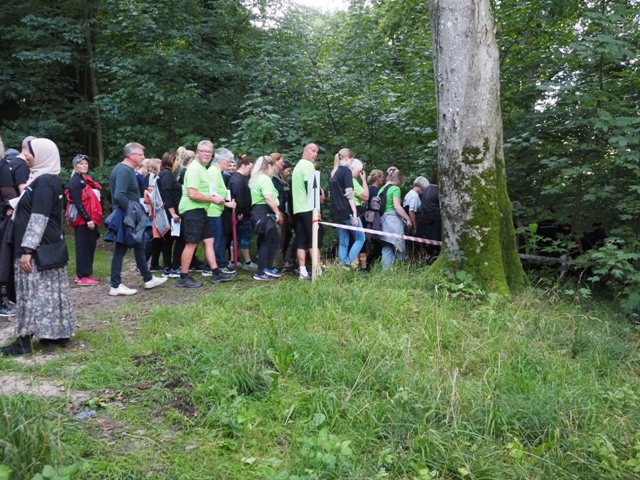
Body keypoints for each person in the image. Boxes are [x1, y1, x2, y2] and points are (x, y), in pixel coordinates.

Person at [1, 138, 74, 356]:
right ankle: (57, 335)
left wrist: (27, 251)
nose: (25, 155)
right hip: (47, 248)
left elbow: (39, 218)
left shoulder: (43, 182)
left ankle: (23, 343)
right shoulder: (45, 179)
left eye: (29, 152)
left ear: (42, 155)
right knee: (49, 293)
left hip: (36, 250)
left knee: (30, 294)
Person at [108, 142, 168, 295]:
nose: (143, 157)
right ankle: (115, 285)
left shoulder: (126, 170)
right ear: (131, 155)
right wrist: (132, 211)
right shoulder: (124, 170)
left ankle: (148, 279)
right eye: (140, 154)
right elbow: (119, 195)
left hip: (127, 214)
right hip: (125, 215)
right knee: (120, 249)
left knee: (139, 245)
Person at [177, 140, 236, 288]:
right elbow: (192, 194)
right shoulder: (194, 169)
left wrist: (219, 199)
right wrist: (213, 199)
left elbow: (208, 191)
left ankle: (216, 273)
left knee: (209, 241)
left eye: (209, 152)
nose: (207, 154)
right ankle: (183, 277)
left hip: (202, 210)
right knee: (191, 243)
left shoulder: (203, 168)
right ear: (197, 152)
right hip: (191, 209)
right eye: (203, 151)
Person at [68, 154, 103, 285]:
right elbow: (78, 203)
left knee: (89, 246)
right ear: (75, 166)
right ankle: (82, 276)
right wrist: (88, 219)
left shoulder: (83, 180)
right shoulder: (75, 181)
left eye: (86, 164)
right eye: (81, 164)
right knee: (83, 247)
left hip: (88, 219)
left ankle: (84, 274)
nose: (84, 166)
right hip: (82, 221)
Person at [249, 156, 284, 281]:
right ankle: (260, 272)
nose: (274, 169)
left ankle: (268, 267)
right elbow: (268, 197)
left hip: (259, 212)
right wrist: (277, 212)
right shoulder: (265, 179)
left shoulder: (256, 179)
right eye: (273, 166)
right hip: (264, 212)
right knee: (266, 241)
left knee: (274, 239)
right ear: (268, 166)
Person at [329, 148, 365, 268]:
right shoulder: (346, 172)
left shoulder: (332, 172)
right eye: (352, 160)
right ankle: (349, 263)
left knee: (343, 242)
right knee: (360, 238)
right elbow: (349, 193)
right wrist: (354, 212)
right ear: (347, 158)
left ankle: (341, 267)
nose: (352, 162)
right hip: (346, 211)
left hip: (335, 212)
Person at [291, 143, 321, 280]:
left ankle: (302, 272)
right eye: (313, 151)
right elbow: (311, 188)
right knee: (314, 240)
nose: (315, 154)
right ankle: (317, 270)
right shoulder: (308, 166)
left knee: (301, 240)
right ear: (305, 151)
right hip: (308, 208)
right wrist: (316, 209)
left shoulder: (297, 167)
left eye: (317, 152)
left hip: (298, 209)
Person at [205, 148, 237, 275]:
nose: (229, 164)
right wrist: (227, 203)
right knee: (214, 241)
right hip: (212, 211)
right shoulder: (213, 172)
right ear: (221, 160)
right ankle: (210, 267)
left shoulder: (217, 172)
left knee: (218, 239)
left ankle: (217, 265)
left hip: (217, 210)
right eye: (228, 161)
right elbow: (211, 193)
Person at [228, 155, 256, 270]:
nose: (250, 170)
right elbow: (238, 197)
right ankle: (247, 262)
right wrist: (240, 212)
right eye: (250, 168)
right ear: (243, 166)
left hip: (241, 212)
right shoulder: (238, 180)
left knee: (239, 236)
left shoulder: (239, 178)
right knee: (243, 236)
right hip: (241, 213)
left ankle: (233, 260)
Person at [380, 169, 412, 269]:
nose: (400, 184)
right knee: (399, 245)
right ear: (397, 179)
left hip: (383, 221)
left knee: (387, 246)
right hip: (393, 221)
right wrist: (408, 218)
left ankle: (385, 270)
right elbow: (397, 207)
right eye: (400, 181)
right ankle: (404, 267)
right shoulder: (395, 189)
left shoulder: (381, 190)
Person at [157, 151, 182, 278]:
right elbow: (166, 193)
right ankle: (173, 267)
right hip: (171, 212)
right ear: (171, 160)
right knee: (176, 239)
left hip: (171, 211)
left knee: (169, 240)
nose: (178, 162)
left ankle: (169, 267)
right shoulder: (166, 174)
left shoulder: (167, 174)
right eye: (177, 160)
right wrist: (173, 213)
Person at [416, 170, 441, 259]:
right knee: (435, 246)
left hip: (422, 220)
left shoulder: (425, 190)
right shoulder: (439, 191)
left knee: (425, 247)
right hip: (434, 223)